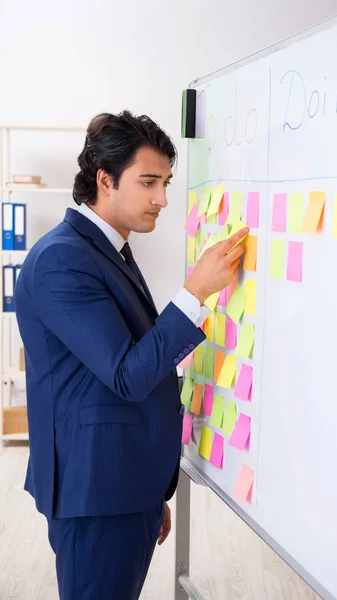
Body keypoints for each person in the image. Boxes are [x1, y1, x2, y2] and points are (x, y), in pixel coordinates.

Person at [14, 110, 248, 600]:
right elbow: (128, 374)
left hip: (121, 488)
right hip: (97, 497)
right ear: (104, 180)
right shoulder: (62, 258)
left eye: (164, 182)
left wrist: (145, 491)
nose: (162, 199)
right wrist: (194, 293)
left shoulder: (107, 249)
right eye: (148, 182)